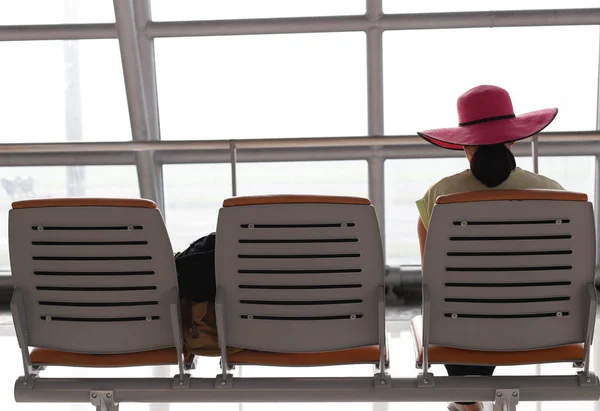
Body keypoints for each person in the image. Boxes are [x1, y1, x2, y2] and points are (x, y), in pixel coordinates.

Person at [415, 85, 564, 411]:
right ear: (513, 139)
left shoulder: (438, 197)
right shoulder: (555, 194)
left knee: (456, 311)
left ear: (465, 143)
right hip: (542, 327)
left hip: (465, 332)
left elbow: (433, 281)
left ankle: (468, 403)